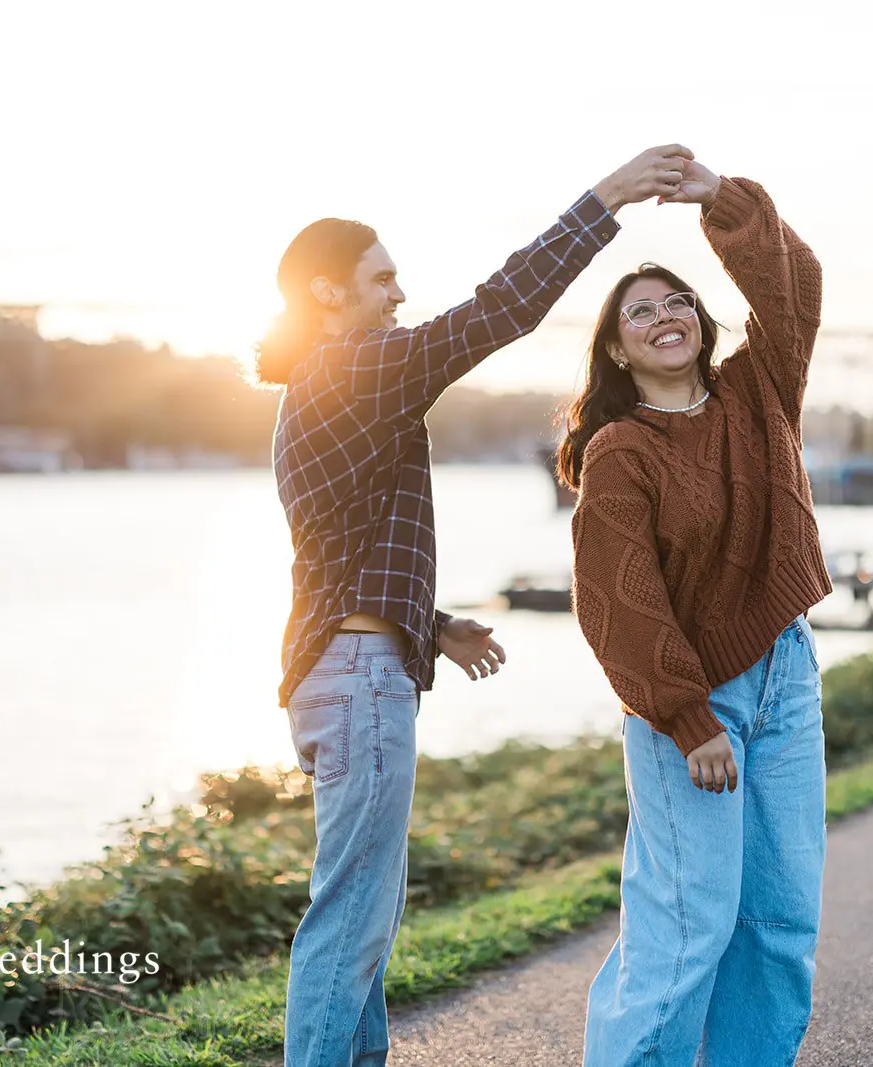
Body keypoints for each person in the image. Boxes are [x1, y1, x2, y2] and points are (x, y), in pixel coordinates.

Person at [260, 144, 697, 1067]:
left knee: (361, 916)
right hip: (359, 681)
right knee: (350, 918)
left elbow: (338, 550)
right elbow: (501, 308)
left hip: (343, 669)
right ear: (329, 295)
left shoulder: (321, 387)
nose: (397, 295)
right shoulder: (355, 368)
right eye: (380, 280)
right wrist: (607, 199)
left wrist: (430, 626)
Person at [558, 155, 831, 1065]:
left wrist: (723, 200)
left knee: (780, 918)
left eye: (675, 299)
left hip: (787, 673)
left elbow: (796, 288)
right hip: (692, 708)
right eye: (640, 310)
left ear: (700, 321)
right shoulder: (620, 451)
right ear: (615, 350)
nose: (663, 314)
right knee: (684, 934)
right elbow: (615, 598)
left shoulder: (762, 390)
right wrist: (687, 715)